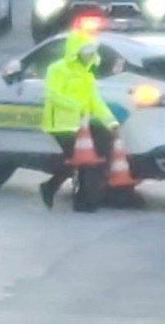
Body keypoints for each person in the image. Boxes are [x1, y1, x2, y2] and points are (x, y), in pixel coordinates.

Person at [39, 30, 120, 208]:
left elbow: (95, 101)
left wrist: (110, 121)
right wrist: (76, 107)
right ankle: (53, 188)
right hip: (59, 125)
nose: (89, 56)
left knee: (84, 161)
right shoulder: (57, 69)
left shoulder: (87, 74)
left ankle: (79, 198)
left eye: (91, 52)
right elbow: (53, 94)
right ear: (76, 52)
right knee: (75, 161)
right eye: (86, 52)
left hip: (80, 126)